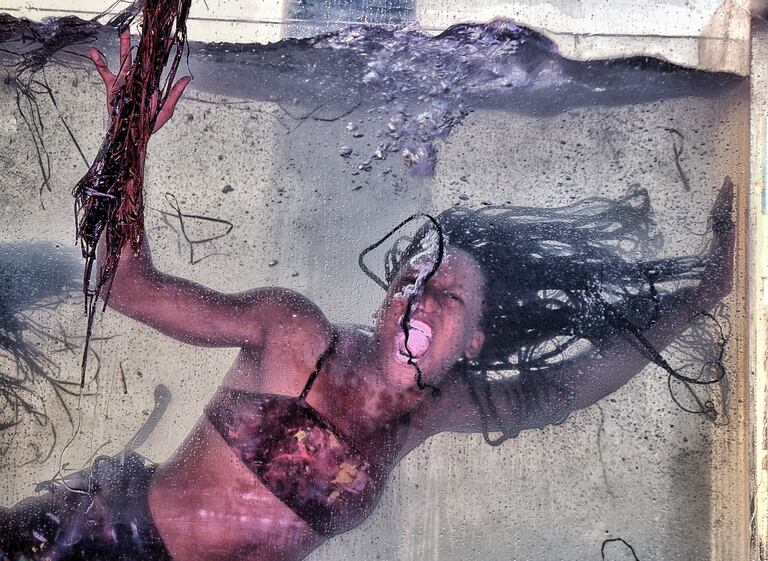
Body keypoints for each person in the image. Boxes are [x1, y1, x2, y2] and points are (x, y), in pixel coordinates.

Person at [0, 32, 735, 561]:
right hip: (96, 540)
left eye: (448, 294)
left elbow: (562, 391)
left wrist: (704, 294)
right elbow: (128, 286)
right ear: (386, 300)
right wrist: (129, 133)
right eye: (412, 280)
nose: (421, 297)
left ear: (474, 341)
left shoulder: (429, 411)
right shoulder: (295, 334)